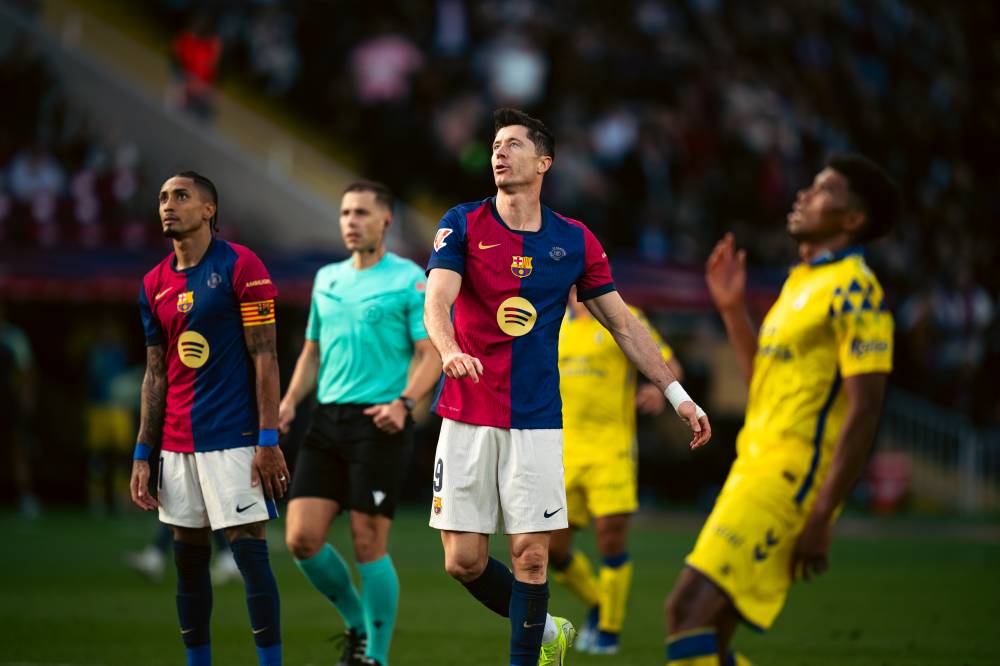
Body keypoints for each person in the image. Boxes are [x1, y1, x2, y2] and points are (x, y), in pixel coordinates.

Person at [424, 108, 712, 666]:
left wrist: (679, 396)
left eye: (512, 145)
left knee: (533, 557)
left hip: (536, 419)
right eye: (495, 146)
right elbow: (437, 300)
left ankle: (528, 658)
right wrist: (451, 351)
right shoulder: (461, 223)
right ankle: (548, 628)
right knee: (462, 561)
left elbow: (625, 325)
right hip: (467, 413)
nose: (499, 153)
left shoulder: (574, 241)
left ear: (544, 162)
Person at [664, 154, 899, 665]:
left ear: (853, 219)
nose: (804, 195)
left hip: (790, 480)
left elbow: (866, 408)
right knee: (704, 631)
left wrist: (822, 513)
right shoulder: (802, 281)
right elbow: (763, 383)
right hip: (755, 465)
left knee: (686, 616)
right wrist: (731, 307)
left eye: (823, 190)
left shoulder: (856, 291)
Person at [129, 171, 289, 666]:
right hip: (176, 446)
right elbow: (156, 375)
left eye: (181, 196)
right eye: (162, 197)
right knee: (189, 561)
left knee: (249, 554)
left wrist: (268, 438)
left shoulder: (243, 266)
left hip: (235, 439)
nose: (167, 205)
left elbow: (265, 356)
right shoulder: (153, 283)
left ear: (208, 210)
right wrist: (142, 452)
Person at [279, 180, 441, 666]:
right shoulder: (326, 277)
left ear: (385, 219)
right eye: (346, 213)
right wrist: (288, 402)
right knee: (301, 539)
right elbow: (312, 351)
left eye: (362, 213)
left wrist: (405, 403)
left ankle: (377, 657)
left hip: (380, 423)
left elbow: (429, 353)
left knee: (368, 543)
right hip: (326, 421)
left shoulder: (410, 280)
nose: (351, 222)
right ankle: (356, 623)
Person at [550, 287, 683, 655]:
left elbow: (668, 362)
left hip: (612, 450)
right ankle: (598, 603)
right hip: (562, 453)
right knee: (553, 550)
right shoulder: (554, 323)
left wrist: (657, 390)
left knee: (610, 538)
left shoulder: (625, 316)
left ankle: (609, 630)